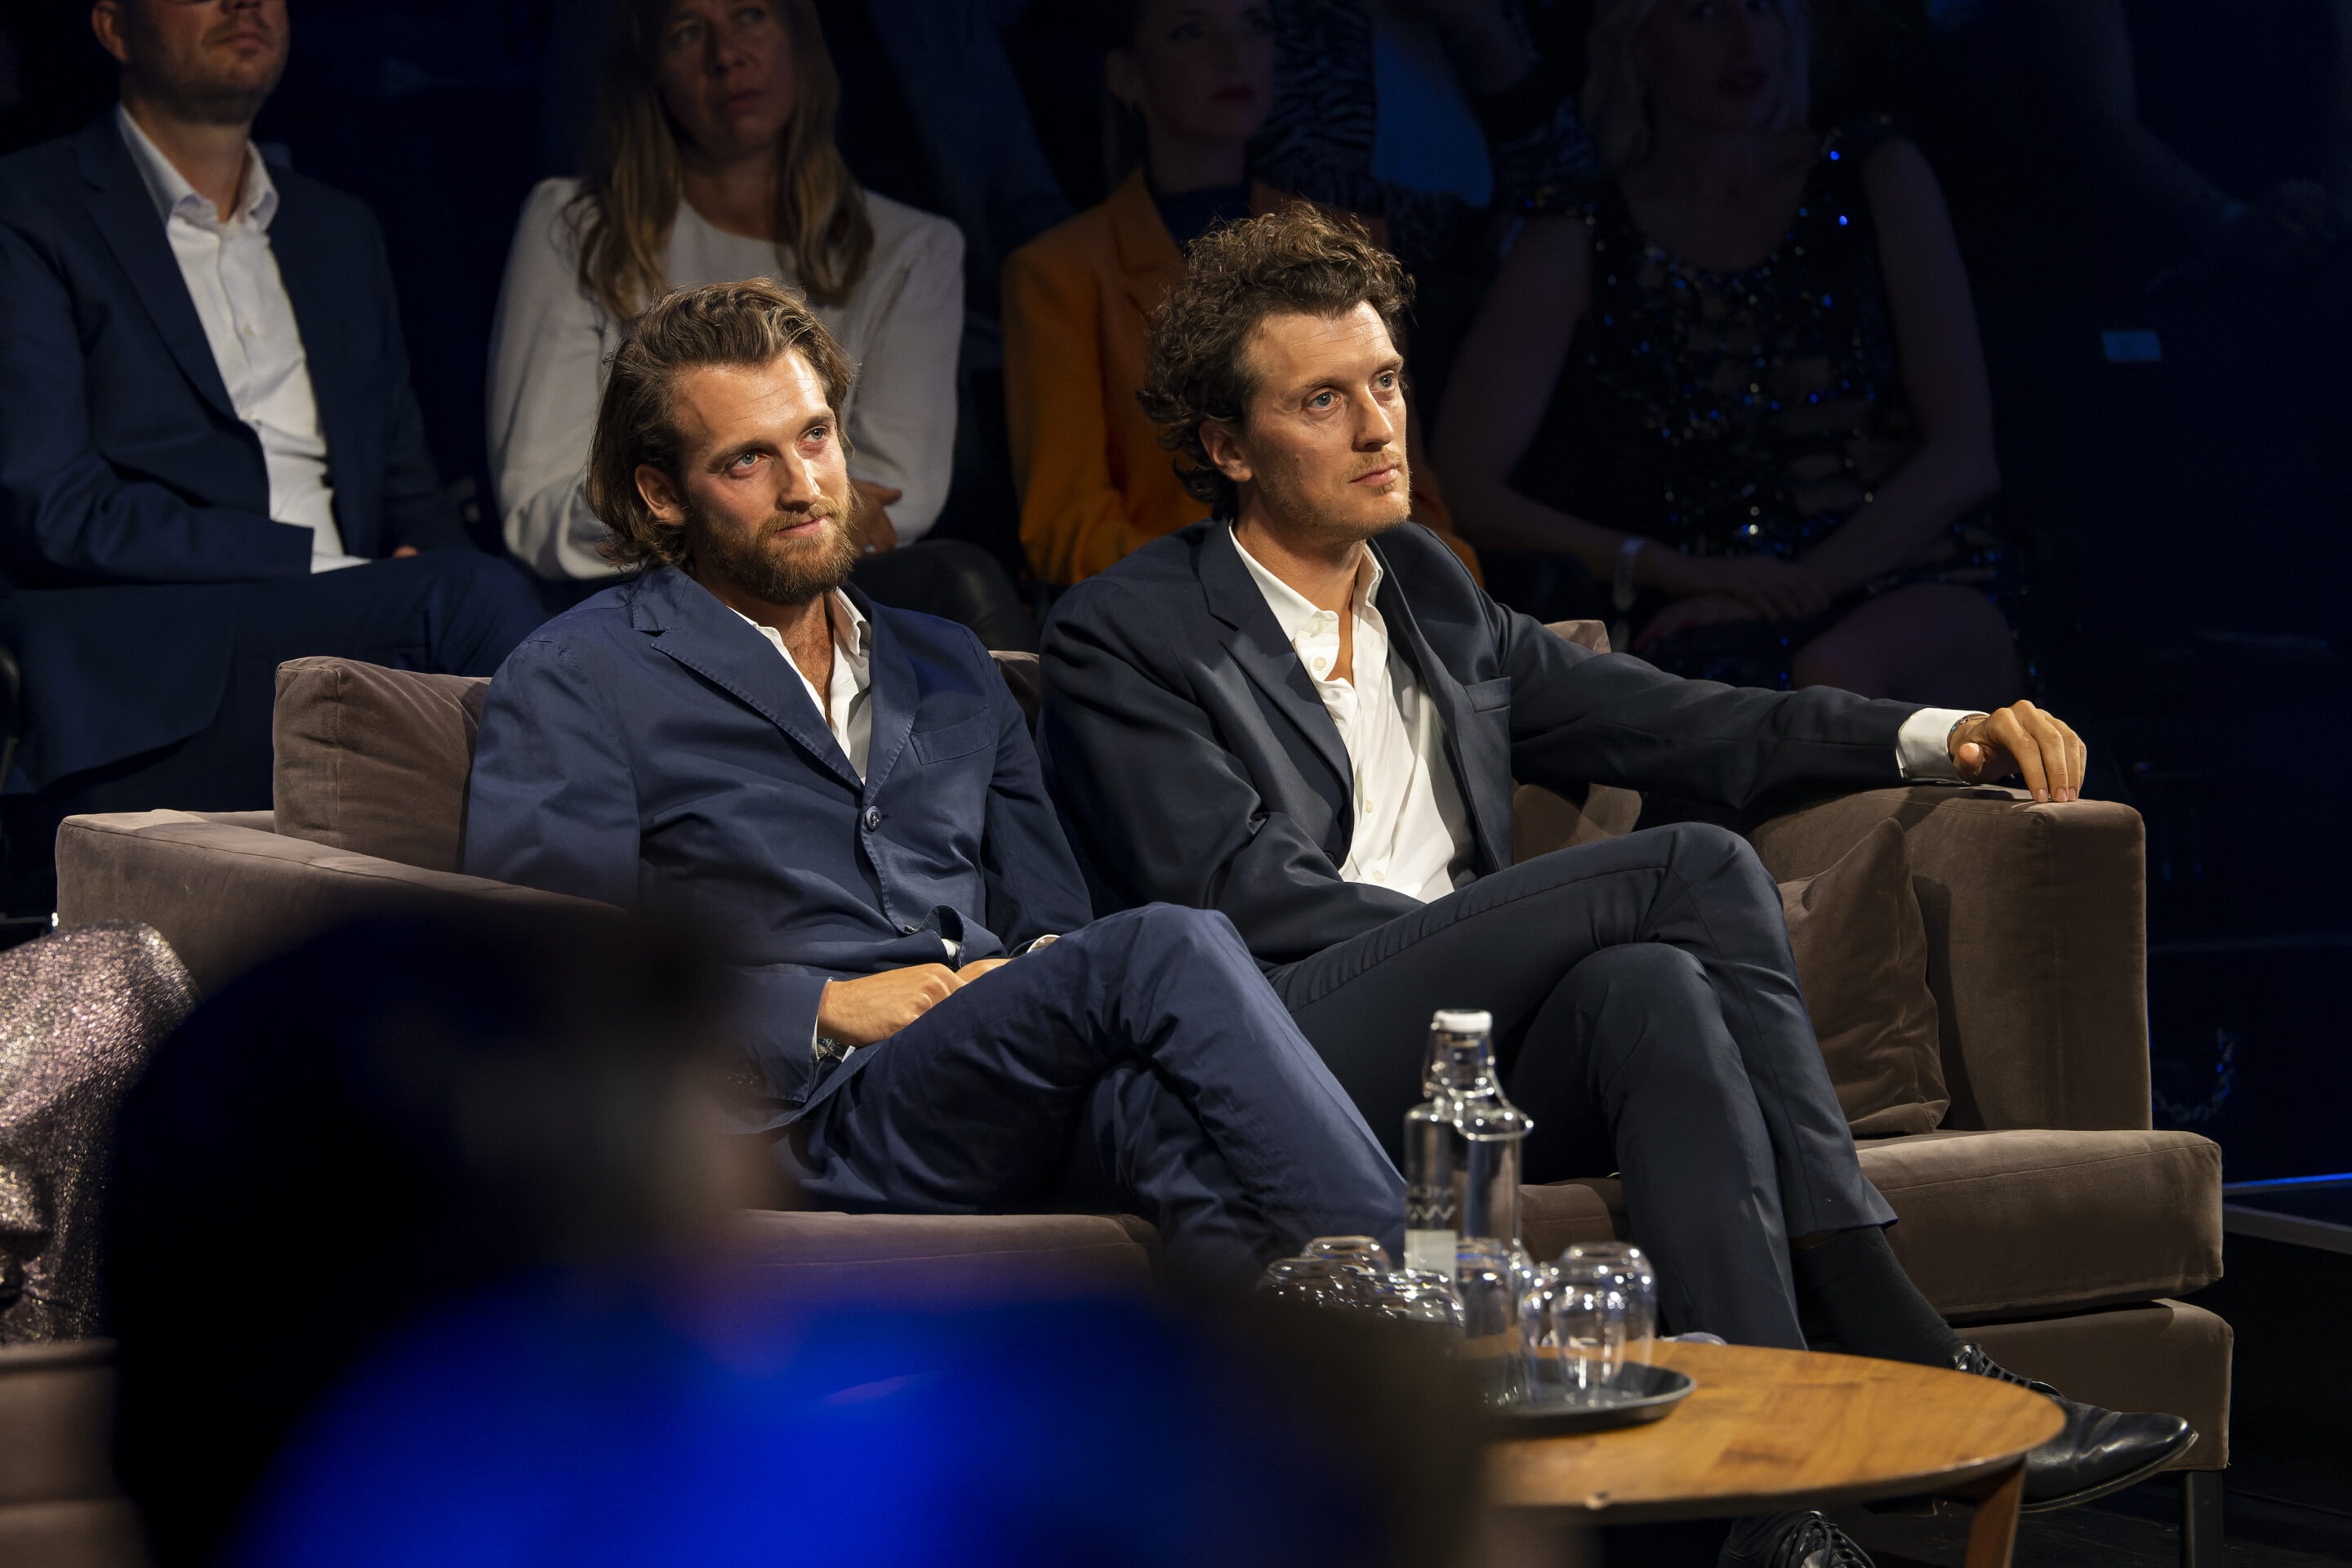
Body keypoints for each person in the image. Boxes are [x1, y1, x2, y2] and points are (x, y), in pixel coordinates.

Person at [1034, 206, 2192, 1557]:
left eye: (1390, 384)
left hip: (1470, 1065)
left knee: (1653, 992)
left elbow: (1695, 722)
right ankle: (1888, 1325)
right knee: (1687, 872)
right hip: (1283, 1043)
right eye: (1323, 400)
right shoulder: (1128, 631)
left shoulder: (1433, 593)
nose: (1378, 427)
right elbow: (1239, 894)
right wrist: (1502, 938)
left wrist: (1942, 735)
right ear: (1227, 447)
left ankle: (1779, 1517)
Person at [464, 278, 1401, 1286]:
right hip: (803, 1120)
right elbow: (549, 983)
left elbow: (1050, 912)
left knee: (1161, 1120)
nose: (803, 486)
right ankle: (1439, 1303)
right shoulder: (579, 677)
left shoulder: (949, 661)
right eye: (747, 460)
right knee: (1169, 941)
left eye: (815, 437)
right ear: (662, 494)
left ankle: (1302, 1421)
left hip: (983, 1077)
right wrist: (825, 1006)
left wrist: (1028, 974)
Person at [0, 0, 546, 905]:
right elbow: (51, 503)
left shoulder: (336, 230)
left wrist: (413, 564)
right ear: (112, 27)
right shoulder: (30, 209)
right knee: (471, 607)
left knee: (547, 626)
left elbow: (408, 485)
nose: (248, 2)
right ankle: (693, 968)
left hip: (363, 626)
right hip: (150, 676)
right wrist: (323, 568)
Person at [1433, 0, 2020, 707]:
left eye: (1764, 9)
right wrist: (1664, 568)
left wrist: (1795, 585)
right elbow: (1462, 486)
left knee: (1831, 679)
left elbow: (1965, 456)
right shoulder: (1582, 227)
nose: (1746, 42)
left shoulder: (1873, 173)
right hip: (1705, 608)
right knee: (1690, 707)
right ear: (1639, 44)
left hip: (1915, 574)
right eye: (1703, 14)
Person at [488, 0, 1035, 650]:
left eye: (751, 16)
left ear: (801, 42)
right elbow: (535, 508)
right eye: (688, 33)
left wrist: (715, 503)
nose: (727, 55)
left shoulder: (913, 248)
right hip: (634, 595)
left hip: (829, 585)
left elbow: (897, 493)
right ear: (652, 72)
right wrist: (726, 522)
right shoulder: (574, 228)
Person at [1001, 0, 1477, 587]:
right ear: (1126, 74)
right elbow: (1065, 529)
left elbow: (1412, 495)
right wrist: (1259, 589)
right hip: (1177, 626)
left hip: (1365, 598)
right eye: (1189, 31)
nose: (1233, 58)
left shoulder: (1351, 240)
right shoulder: (1060, 273)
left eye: (1255, 25)